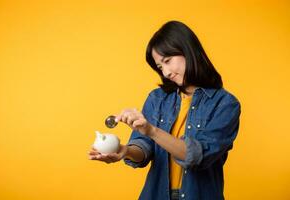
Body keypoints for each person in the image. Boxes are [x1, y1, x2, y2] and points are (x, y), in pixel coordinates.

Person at [88, 20, 241, 200]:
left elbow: (198, 156)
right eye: (160, 67)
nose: (166, 72)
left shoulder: (225, 104)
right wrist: (125, 151)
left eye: (167, 61)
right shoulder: (157, 98)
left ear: (188, 50)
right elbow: (144, 147)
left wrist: (152, 130)